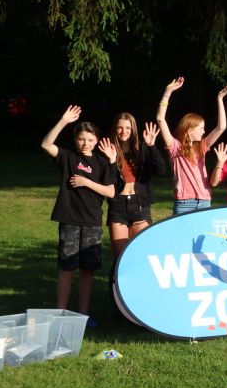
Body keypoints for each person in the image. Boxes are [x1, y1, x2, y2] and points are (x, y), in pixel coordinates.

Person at [41, 105, 117, 321]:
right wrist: (64, 120)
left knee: (88, 271)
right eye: (82, 139)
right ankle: (60, 314)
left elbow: (110, 192)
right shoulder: (68, 158)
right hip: (69, 220)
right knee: (66, 268)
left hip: (92, 222)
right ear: (76, 140)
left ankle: (83, 314)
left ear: (97, 141)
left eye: (91, 140)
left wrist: (86, 182)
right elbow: (46, 144)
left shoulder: (102, 162)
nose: (86, 144)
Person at [156, 77, 227, 214]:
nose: (204, 131)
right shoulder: (175, 147)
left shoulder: (201, 146)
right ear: (190, 131)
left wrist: (220, 99)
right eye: (201, 128)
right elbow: (160, 119)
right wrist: (167, 92)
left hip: (204, 201)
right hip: (184, 203)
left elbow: (221, 127)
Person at [106, 113, 166, 260]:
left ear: (133, 129)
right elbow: (108, 180)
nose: (124, 131)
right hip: (118, 206)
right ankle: (115, 283)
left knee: (141, 255)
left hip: (139, 205)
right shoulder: (108, 150)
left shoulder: (143, 150)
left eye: (128, 127)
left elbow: (161, 170)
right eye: (120, 128)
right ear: (115, 129)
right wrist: (112, 161)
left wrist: (151, 146)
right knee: (120, 259)